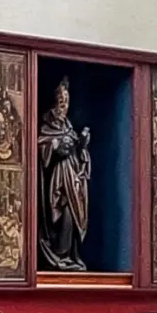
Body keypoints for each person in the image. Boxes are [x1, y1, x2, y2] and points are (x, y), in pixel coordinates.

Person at [36, 77, 91, 271]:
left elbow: (80, 155)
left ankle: (70, 255)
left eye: (66, 100)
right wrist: (56, 146)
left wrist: (82, 144)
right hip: (56, 182)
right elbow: (40, 147)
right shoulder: (46, 125)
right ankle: (59, 255)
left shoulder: (69, 127)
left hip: (72, 180)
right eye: (61, 100)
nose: (64, 104)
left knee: (72, 215)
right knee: (60, 215)